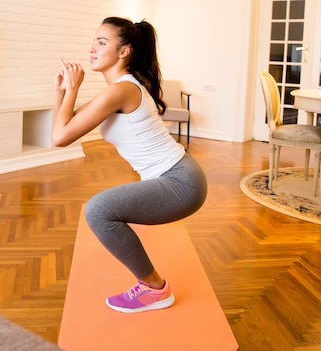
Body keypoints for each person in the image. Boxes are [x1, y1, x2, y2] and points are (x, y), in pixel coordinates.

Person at [52, 16, 207, 314]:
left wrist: (72, 89)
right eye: (93, 41)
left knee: (98, 210)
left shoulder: (120, 90)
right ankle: (152, 288)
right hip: (176, 176)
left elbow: (60, 137)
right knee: (101, 210)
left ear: (124, 51)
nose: (92, 48)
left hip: (180, 182)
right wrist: (61, 91)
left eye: (101, 42)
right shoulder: (117, 90)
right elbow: (60, 129)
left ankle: (154, 290)